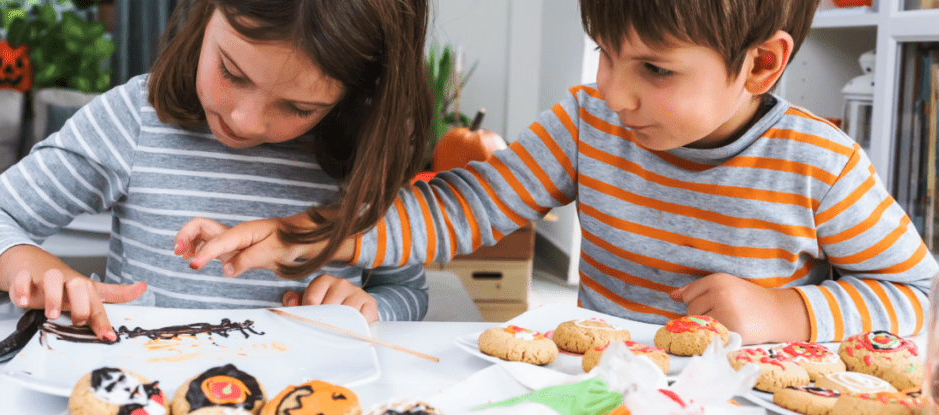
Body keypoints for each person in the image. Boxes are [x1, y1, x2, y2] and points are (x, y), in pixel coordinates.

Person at [176, 0, 939, 345]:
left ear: (762, 64)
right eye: (605, 54)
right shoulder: (589, 122)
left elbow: (918, 296)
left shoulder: (820, 164)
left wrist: (792, 317)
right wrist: (299, 237)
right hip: (599, 392)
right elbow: (458, 209)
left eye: (653, 68)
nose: (614, 91)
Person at [0, 0, 435, 341]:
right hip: (143, 402)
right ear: (207, 13)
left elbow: (405, 290)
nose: (245, 120)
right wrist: (43, 272)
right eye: (232, 73)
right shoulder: (135, 118)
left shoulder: (366, 157)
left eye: (299, 107)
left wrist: (366, 309)